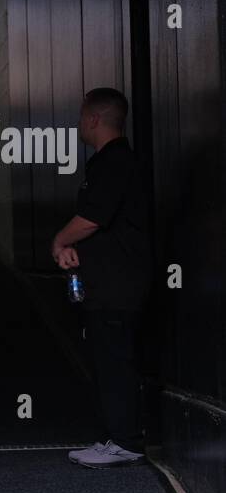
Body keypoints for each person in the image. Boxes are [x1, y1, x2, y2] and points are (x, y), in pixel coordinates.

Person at [53, 88, 152, 468]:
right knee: (110, 356)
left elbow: (94, 218)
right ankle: (118, 436)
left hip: (117, 283)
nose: (79, 124)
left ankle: (125, 441)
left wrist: (59, 239)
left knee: (114, 359)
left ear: (94, 119)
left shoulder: (113, 163)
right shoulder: (112, 162)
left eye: (81, 117)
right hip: (113, 280)